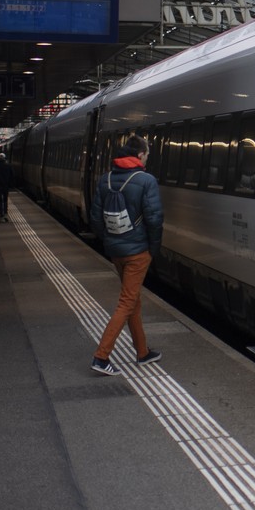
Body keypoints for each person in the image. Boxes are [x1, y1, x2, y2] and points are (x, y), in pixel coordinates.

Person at [89, 135, 163, 376]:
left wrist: (108, 241)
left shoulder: (105, 179)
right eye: (148, 154)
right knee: (126, 302)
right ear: (140, 155)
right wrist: (153, 248)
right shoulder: (146, 180)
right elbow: (153, 219)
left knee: (133, 301)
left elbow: (96, 217)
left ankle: (142, 352)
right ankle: (101, 357)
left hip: (116, 250)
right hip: (138, 251)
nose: (147, 157)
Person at [0, 153, 14, 222]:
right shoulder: (9, 166)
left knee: (0, 201)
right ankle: (6, 214)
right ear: (5, 158)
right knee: (5, 200)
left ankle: (1, 216)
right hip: (6, 186)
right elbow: (12, 176)